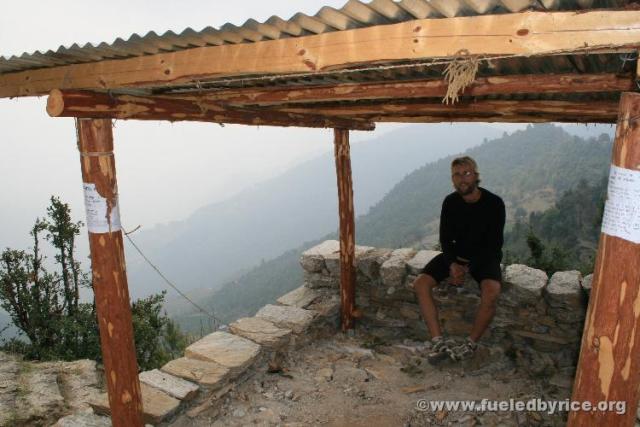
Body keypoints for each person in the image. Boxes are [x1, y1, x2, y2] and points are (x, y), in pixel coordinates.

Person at [412, 156, 505, 364]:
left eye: (467, 173)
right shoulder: (450, 202)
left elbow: (494, 245)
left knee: (492, 291)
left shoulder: (494, 203)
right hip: (455, 256)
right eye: (457, 174)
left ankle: (470, 344)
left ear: (476, 176)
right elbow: (445, 238)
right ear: (452, 179)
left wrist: (468, 268)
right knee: (421, 283)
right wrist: (453, 264)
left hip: (484, 258)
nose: (462, 179)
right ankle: (438, 341)